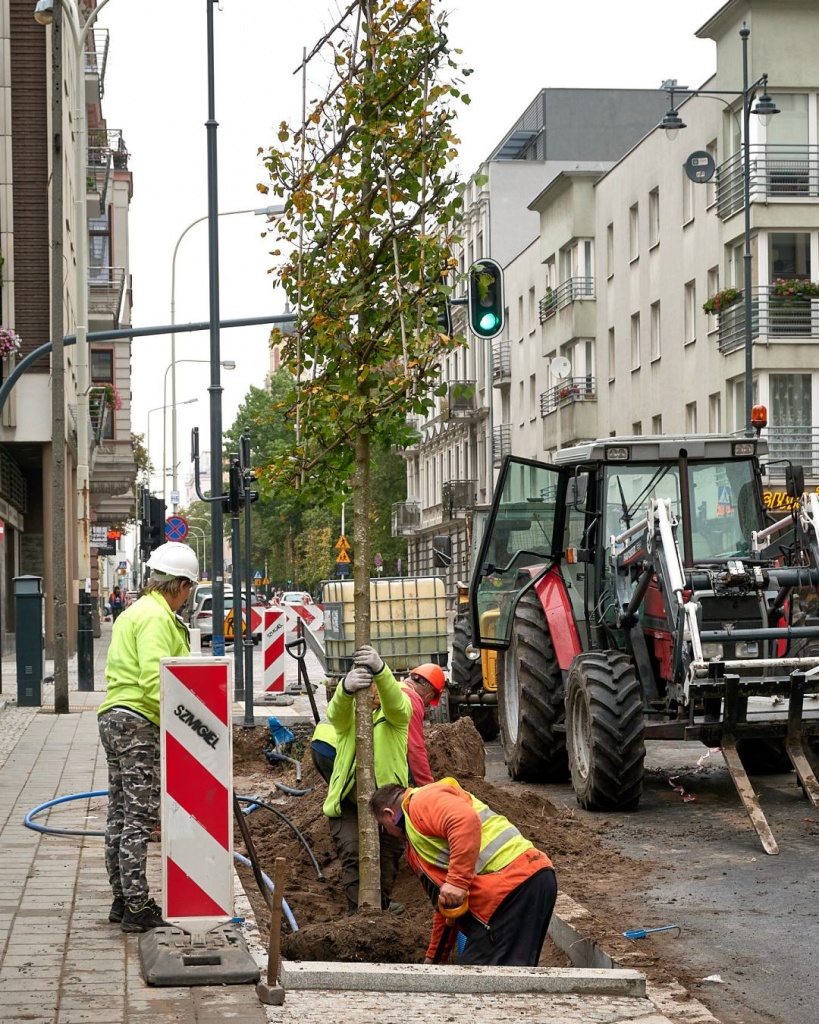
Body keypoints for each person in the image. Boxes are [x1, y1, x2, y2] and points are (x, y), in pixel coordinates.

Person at [97, 541, 199, 933]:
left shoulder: (132, 612)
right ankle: (138, 906)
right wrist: (185, 725)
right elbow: (157, 679)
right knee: (139, 818)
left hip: (114, 717)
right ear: (175, 584)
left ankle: (122, 900)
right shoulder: (157, 618)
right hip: (139, 722)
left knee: (120, 813)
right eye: (188, 586)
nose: (188, 595)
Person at [370, 777, 557, 966]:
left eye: (384, 827)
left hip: (514, 885)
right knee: (506, 975)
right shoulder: (417, 842)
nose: (388, 833)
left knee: (481, 980)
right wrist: (436, 955)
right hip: (525, 882)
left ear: (389, 814)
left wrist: (457, 881)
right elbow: (447, 904)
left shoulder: (421, 801)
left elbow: (464, 820)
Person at [323, 644, 412, 915]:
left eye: (376, 686)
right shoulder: (351, 719)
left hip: (388, 803)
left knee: (387, 858)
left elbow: (397, 703)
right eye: (368, 684)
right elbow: (334, 714)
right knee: (353, 853)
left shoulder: (396, 718)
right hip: (349, 803)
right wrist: (345, 688)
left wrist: (381, 670)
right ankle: (358, 914)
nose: (372, 690)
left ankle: (380, 909)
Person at [400, 664, 446, 786]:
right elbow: (415, 748)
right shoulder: (411, 699)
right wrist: (427, 787)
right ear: (430, 695)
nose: (426, 706)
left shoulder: (396, 689)